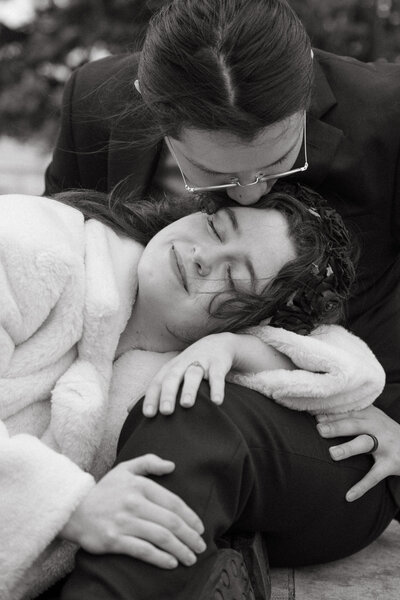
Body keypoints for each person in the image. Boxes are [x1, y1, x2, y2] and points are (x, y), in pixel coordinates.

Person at [41, 0, 400, 598]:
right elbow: (69, 255)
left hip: (346, 423)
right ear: (154, 113)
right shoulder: (94, 99)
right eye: (217, 176)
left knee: (189, 406)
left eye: (282, 161)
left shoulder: (387, 111)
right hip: (127, 402)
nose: (255, 196)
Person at [0, 184, 383, 600]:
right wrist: (65, 507)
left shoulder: (182, 366)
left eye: (234, 276)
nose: (204, 257)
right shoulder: (36, 244)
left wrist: (241, 350)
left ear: (252, 323)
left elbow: (348, 369)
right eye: (217, 229)